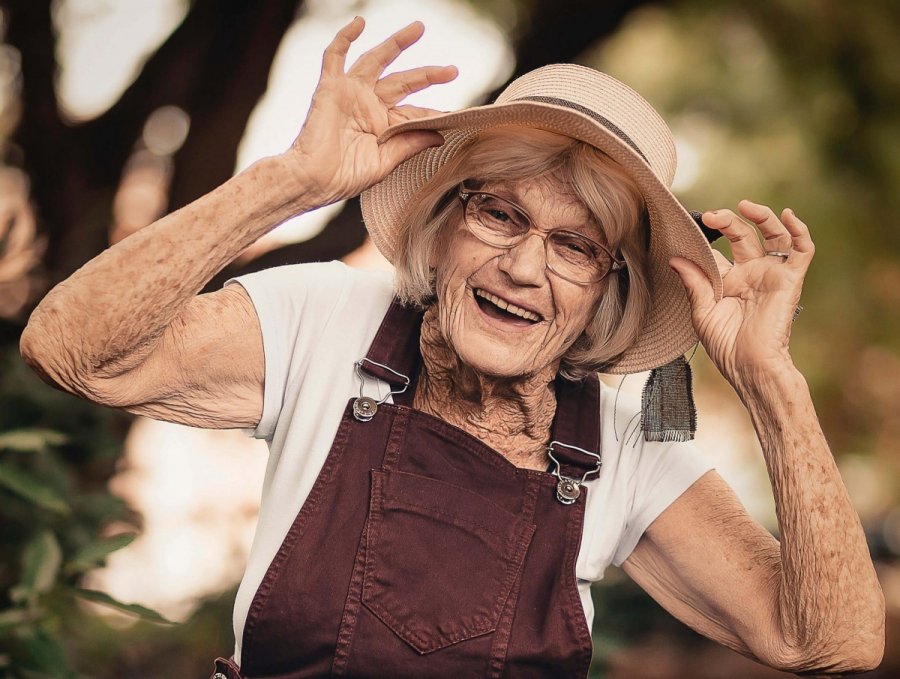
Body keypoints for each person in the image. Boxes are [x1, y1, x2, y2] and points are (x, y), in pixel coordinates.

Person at [20, 17, 883, 678]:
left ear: (605, 293)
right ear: (447, 221)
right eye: (500, 214)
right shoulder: (329, 318)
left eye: (574, 246)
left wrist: (772, 381)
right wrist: (291, 181)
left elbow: (832, 640)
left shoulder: (627, 448)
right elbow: (69, 348)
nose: (523, 267)